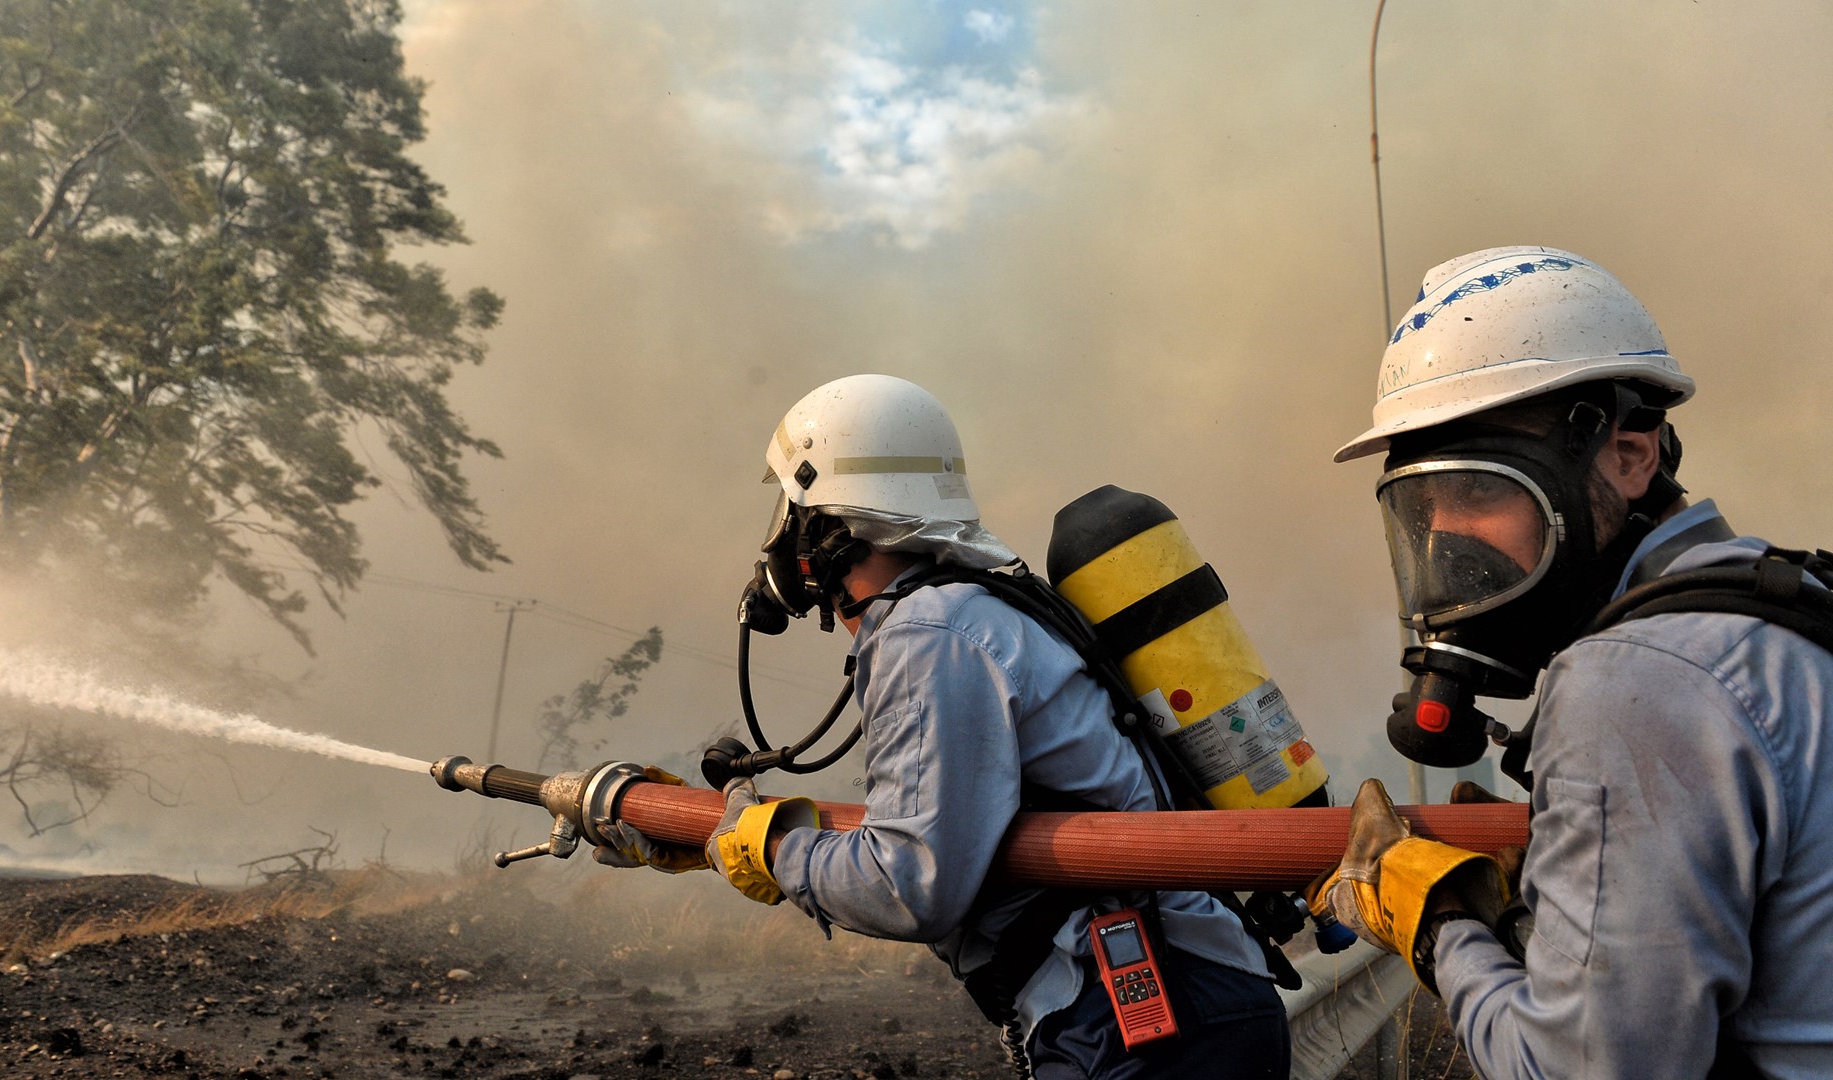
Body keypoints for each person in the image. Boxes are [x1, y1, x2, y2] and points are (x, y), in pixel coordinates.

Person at [605, 374, 1289, 1079]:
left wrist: (773, 851)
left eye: (792, 508)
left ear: (829, 525)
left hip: (1146, 1018)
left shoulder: (928, 635)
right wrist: (718, 836)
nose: (780, 541)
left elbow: (909, 883)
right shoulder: (978, 609)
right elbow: (935, 828)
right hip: (1173, 1002)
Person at [1316, 246, 1833, 1078]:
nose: (1446, 537)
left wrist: (1443, 921)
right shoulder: (1786, 607)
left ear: (1629, 457)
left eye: (1479, 488)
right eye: (1426, 505)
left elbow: (1579, 1068)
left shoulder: (1635, 679)